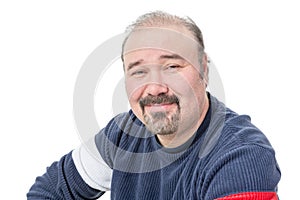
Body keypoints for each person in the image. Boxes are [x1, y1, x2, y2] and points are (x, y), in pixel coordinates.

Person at [27, 11, 281, 200]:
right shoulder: (123, 134)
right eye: (138, 72)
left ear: (204, 70)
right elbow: (47, 192)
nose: (155, 87)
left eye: (172, 67)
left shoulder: (241, 155)